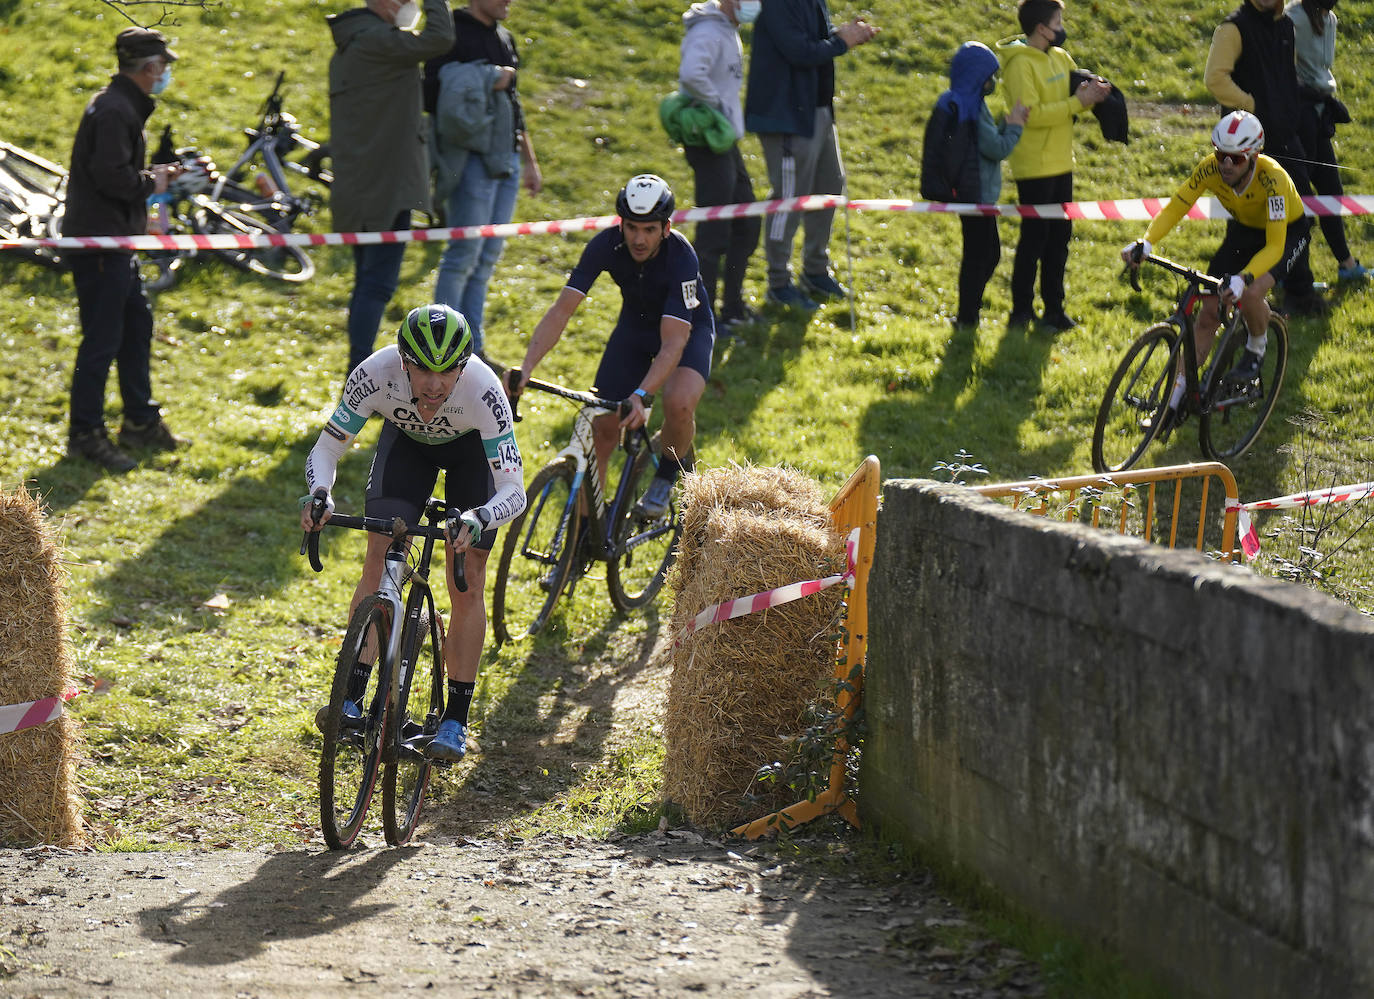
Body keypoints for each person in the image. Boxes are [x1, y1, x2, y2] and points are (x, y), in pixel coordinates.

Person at [301, 304, 525, 762]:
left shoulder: (484, 391)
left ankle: (456, 718)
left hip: (471, 460)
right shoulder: (375, 373)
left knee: (467, 578)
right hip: (406, 448)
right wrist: (320, 493)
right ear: (403, 360)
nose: (433, 384)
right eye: (422, 368)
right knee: (379, 556)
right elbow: (326, 449)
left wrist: (480, 518)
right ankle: (352, 694)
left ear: (465, 366)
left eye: (447, 372)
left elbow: (514, 491)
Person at [508, 175, 713, 519]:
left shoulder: (682, 258)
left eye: (649, 229)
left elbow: (674, 342)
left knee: (677, 403)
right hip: (635, 327)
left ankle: (665, 474)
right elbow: (561, 310)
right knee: (603, 427)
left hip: (685, 332)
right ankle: (588, 533)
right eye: (631, 227)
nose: (638, 238)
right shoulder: (606, 245)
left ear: (665, 227)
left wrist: (641, 394)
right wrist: (526, 368)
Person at [1119, 111, 1312, 438]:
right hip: (1243, 232)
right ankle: (1172, 403)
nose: (1225, 165)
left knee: (1250, 293)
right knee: (1207, 314)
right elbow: (1179, 205)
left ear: (1253, 157)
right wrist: (1147, 242)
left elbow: (1275, 246)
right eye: (1220, 154)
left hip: (1285, 235)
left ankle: (1257, 345)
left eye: (1235, 159)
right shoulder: (1210, 168)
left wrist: (1244, 278)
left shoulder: (1273, 180)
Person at [63, 27, 185, 473]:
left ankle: (139, 420)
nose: (165, 74)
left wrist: (155, 174)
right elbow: (112, 178)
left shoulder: (116, 105)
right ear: (150, 67)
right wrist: (157, 181)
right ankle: (85, 434)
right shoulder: (116, 110)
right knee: (102, 339)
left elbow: (114, 173)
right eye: (163, 67)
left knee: (136, 325)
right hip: (100, 244)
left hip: (113, 242)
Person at [328, 0, 454, 375]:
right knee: (376, 285)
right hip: (384, 188)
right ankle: (360, 375)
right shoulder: (376, 40)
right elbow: (440, 38)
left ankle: (357, 371)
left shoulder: (358, 41)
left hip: (366, 186)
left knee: (369, 282)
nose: (411, 6)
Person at [424, 0, 542, 358]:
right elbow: (432, 94)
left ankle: (471, 349)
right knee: (464, 253)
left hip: (506, 158)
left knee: (488, 254)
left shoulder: (505, 37)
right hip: (469, 159)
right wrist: (489, 77)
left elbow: (513, 105)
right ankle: (439, 347)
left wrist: (530, 161)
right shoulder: (451, 33)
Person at [743, 0, 878, 313]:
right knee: (790, 197)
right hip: (787, 115)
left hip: (816, 111)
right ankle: (778, 282)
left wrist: (845, 34)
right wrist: (842, 42)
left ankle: (815, 270)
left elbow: (813, 39)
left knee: (831, 185)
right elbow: (799, 51)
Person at [1203, 0, 1325, 314]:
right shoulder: (1232, 28)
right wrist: (1252, 105)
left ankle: (1297, 291)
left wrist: (1297, 108)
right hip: (1248, 148)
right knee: (1247, 225)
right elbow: (1215, 79)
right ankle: (1220, 289)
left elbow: (1284, 78)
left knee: (1298, 219)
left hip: (1286, 140)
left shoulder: (1286, 26)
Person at [996, 0, 1109, 332]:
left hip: (1062, 163)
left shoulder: (1061, 57)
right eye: (1058, 20)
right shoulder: (1019, 65)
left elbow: (1071, 99)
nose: (1063, 26)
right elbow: (1031, 116)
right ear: (1042, 28)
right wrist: (1078, 102)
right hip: (1034, 165)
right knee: (1035, 238)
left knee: (1060, 238)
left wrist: (1094, 94)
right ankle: (1020, 312)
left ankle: (1055, 310)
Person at [926, 42, 1028, 329]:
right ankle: (967, 316)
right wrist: (1015, 125)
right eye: (989, 76)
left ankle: (968, 314)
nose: (992, 82)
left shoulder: (960, 102)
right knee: (983, 256)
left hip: (972, 194)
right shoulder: (971, 108)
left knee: (982, 255)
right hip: (976, 196)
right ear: (976, 77)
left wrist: (1005, 123)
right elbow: (995, 148)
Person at [675, 0, 763, 331]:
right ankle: (703, 316)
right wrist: (718, 109)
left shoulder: (728, 30)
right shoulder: (708, 30)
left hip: (726, 142)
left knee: (747, 222)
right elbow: (690, 75)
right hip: (709, 141)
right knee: (713, 233)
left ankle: (734, 307)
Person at [1286, 0, 1366, 283]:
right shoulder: (1291, 18)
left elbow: (1322, 71)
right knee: (1298, 201)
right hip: (1297, 118)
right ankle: (1291, 275)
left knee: (1332, 190)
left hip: (1319, 116)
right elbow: (1281, 72)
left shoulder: (1330, 19)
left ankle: (1346, 264)